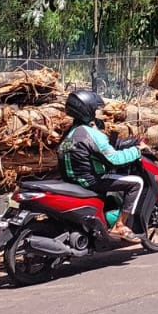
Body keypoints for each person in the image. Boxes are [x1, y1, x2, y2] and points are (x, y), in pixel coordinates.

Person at [58, 89, 143, 234]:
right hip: (92, 181)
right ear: (87, 110)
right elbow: (114, 159)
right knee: (136, 183)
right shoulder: (89, 133)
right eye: (95, 109)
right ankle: (120, 225)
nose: (98, 113)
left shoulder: (69, 134)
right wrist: (137, 151)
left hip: (73, 182)